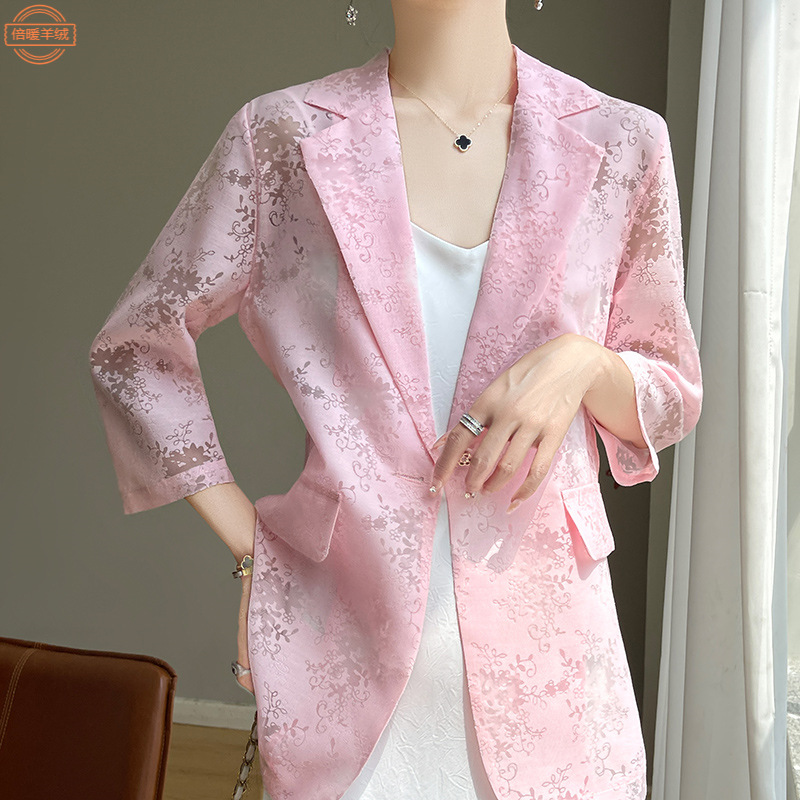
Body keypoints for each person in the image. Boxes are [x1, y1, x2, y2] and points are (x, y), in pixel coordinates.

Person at [88, 1, 703, 798]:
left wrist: (582, 363)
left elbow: (671, 393)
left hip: (552, 669)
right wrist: (252, 550)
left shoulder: (623, 141)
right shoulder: (281, 138)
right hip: (343, 641)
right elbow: (136, 349)